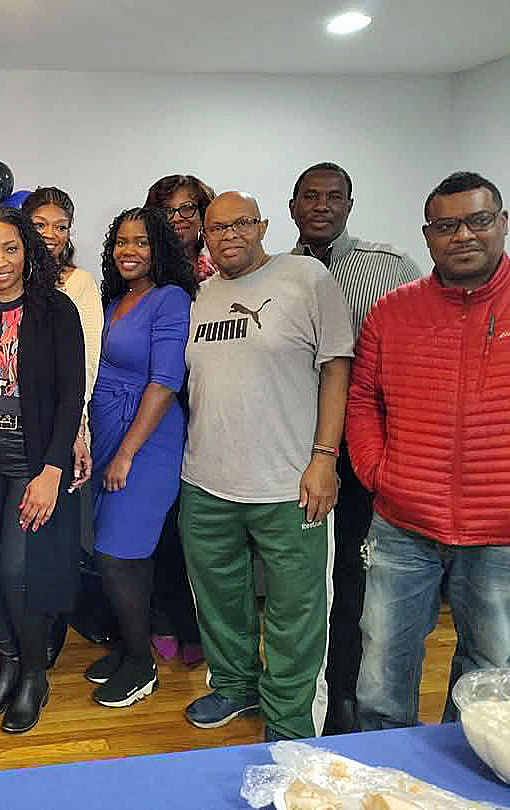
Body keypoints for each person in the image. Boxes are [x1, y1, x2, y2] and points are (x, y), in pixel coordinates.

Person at [180, 192, 354, 741]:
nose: (229, 234)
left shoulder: (305, 278)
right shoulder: (202, 295)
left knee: (296, 613)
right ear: (204, 236)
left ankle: (290, 721)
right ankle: (234, 685)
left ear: (262, 226)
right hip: (206, 481)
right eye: (216, 226)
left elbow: (337, 368)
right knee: (218, 597)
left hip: (290, 483)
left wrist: (324, 458)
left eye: (241, 223)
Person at [347, 171, 510, 730]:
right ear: (428, 235)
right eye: (447, 225)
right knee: (380, 677)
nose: (463, 235)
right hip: (403, 524)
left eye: (478, 220)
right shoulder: (393, 312)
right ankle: (383, 781)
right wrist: (377, 471)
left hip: (501, 532)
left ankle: (461, 781)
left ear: (502, 225)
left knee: (491, 682)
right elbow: (363, 398)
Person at [288, 161, 423, 734]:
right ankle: (300, 687)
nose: (322, 205)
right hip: (294, 445)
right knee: (300, 578)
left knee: (354, 575)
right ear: (293, 207)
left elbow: (413, 354)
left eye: (333, 196)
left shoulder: (387, 267)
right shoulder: (275, 270)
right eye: (310, 197)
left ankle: (345, 690)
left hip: (362, 448)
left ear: (349, 203)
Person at [0, 207, 84, 733]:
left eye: (10, 248)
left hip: (31, 460)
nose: (0, 261)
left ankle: (34, 675)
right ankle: (6, 666)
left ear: (28, 249)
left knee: (16, 571)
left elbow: (72, 392)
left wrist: (52, 469)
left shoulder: (57, 311)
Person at [84, 207, 197, 708]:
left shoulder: (169, 299)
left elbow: (166, 381)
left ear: (159, 250)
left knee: (117, 552)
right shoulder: (114, 302)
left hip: (145, 442)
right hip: (107, 434)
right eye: (121, 242)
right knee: (123, 556)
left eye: (141, 242)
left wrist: (127, 453)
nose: (129, 251)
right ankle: (132, 649)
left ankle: (142, 667)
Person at [22, 187, 99, 669]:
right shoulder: (3, 277)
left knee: (53, 534)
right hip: (12, 429)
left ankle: (51, 628)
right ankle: (21, 625)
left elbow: (84, 365)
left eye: (61, 226)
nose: (51, 235)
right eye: (41, 225)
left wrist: (75, 428)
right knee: (18, 531)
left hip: (62, 426)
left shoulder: (79, 283)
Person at [141, 173, 217, 668]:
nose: (180, 220)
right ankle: (165, 617)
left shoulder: (224, 273)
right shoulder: (147, 273)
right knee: (164, 523)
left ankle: (202, 626)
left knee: (207, 533)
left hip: (215, 410)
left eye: (189, 209)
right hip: (162, 411)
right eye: (168, 211)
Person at [145, 174, 217, 281]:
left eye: (187, 208)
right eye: (167, 211)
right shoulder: (145, 268)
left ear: (203, 215)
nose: (177, 218)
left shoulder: (221, 264)